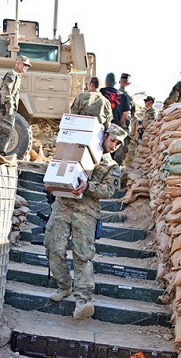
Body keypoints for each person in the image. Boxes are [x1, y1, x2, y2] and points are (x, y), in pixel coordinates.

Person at [44, 124, 127, 320]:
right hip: (62, 206)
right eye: (113, 140)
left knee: (83, 256)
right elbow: (58, 167)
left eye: (118, 143)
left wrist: (87, 186)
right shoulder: (76, 150)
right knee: (53, 247)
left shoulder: (112, 166)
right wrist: (50, 183)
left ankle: (83, 300)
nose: (115, 145)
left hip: (86, 212)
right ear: (104, 136)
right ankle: (64, 286)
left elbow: (108, 191)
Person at [0, 55, 31, 155]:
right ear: (18, 63)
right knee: (5, 128)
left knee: (7, 129)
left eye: (27, 66)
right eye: (24, 65)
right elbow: (6, 90)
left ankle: (1, 150)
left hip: (10, 107)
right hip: (7, 107)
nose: (26, 67)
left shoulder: (17, 76)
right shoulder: (12, 74)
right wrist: (9, 106)